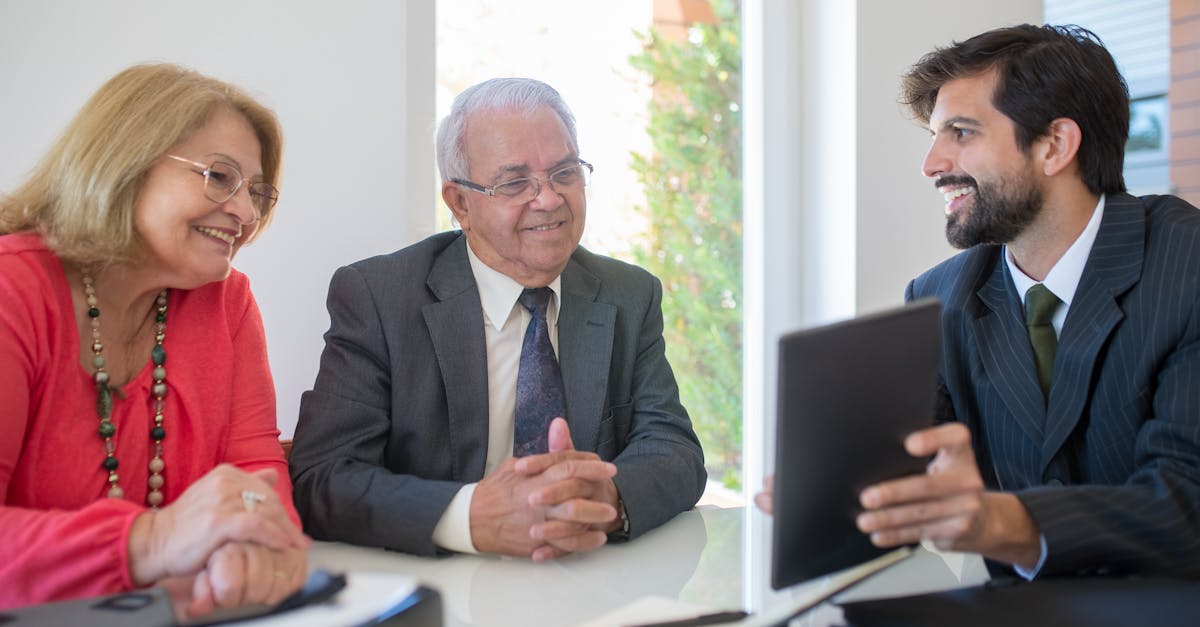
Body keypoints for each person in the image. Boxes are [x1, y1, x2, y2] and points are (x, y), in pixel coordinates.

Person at [762, 23, 1200, 579]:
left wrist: (1000, 523)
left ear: (1054, 145)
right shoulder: (939, 296)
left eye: (961, 132)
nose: (932, 164)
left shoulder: (1187, 267)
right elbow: (916, 471)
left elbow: (1187, 502)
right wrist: (842, 493)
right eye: (934, 135)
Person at [289, 77, 706, 560]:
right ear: (460, 203)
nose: (549, 198)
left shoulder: (628, 294)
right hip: (438, 588)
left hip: (587, 582)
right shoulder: (379, 297)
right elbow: (324, 476)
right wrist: (468, 515)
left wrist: (605, 499)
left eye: (565, 173)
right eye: (514, 183)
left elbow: (674, 447)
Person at [0, 63, 310, 615]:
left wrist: (249, 552)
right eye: (220, 176)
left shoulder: (227, 302)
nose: (245, 212)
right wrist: (151, 540)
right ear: (124, 165)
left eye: (258, 192)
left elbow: (256, 476)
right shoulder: (11, 289)